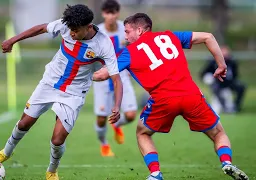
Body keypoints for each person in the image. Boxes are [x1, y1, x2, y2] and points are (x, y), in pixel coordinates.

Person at [93, 13, 248, 180]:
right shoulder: (170, 36)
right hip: (191, 95)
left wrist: (78, 73)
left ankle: (155, 173)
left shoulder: (129, 52)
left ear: (139, 30)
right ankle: (227, 162)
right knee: (218, 133)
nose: (125, 36)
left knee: (142, 133)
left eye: (128, 31)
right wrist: (221, 64)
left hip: (163, 100)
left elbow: (103, 75)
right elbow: (208, 36)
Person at [0, 4, 123, 180]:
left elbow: (116, 79)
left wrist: (117, 106)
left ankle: (51, 171)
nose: (71, 33)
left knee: (57, 140)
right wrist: (13, 40)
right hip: (49, 83)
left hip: (74, 93)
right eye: (70, 30)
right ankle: (6, 152)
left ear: (88, 27)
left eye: (76, 30)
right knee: (24, 124)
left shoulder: (103, 44)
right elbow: (41, 28)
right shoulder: (66, 25)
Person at [93, 0, 137, 157]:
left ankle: (117, 124)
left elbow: (135, 48)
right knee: (101, 119)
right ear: (103, 13)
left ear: (118, 13)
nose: (110, 16)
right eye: (107, 13)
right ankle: (104, 143)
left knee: (131, 115)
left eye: (113, 12)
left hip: (122, 76)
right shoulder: (97, 32)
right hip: (103, 79)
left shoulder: (126, 30)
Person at [201, 45, 246, 113]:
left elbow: (235, 74)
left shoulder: (232, 62)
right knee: (215, 88)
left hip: (229, 82)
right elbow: (204, 73)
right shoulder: (213, 61)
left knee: (241, 87)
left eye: (226, 52)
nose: (225, 54)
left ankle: (236, 106)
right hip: (217, 82)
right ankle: (224, 106)